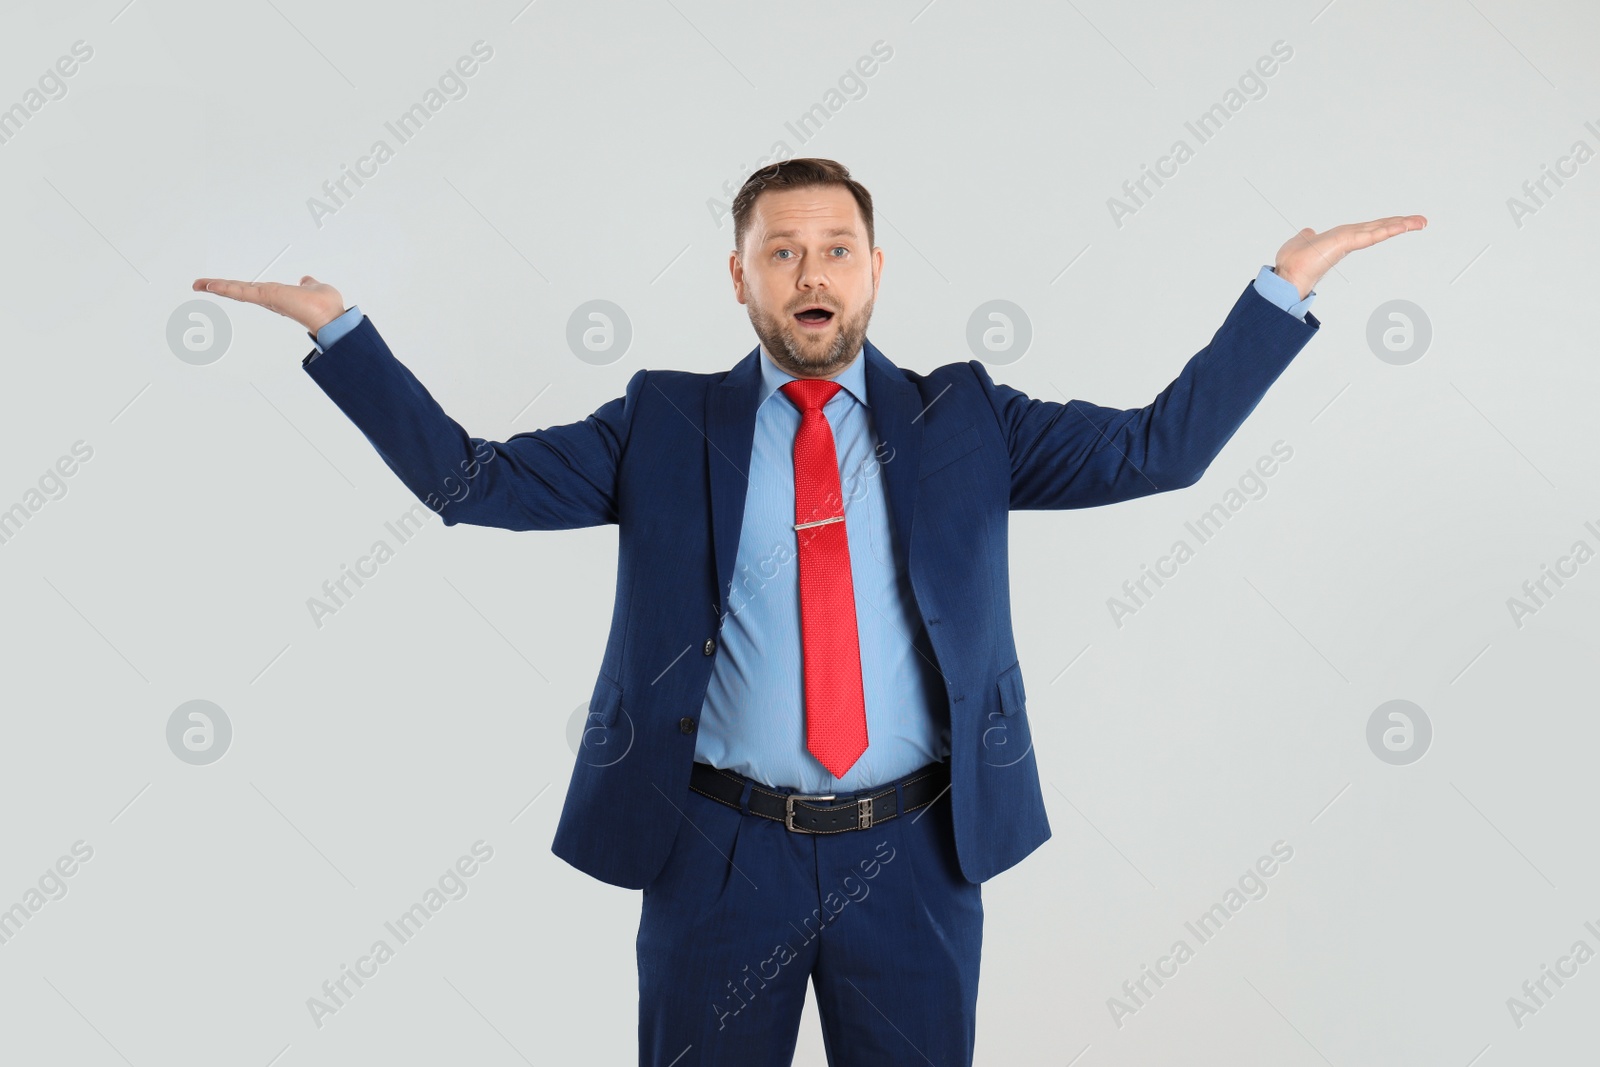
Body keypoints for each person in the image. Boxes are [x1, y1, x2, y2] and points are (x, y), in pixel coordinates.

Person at [194, 157, 1424, 1066]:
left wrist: (1281, 290)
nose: (811, 272)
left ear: (876, 271)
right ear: (740, 275)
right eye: (782, 250)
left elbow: (1163, 450)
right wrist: (342, 336)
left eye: (836, 247)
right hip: (718, 854)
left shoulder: (968, 420)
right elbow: (474, 485)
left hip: (914, 852)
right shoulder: (664, 422)